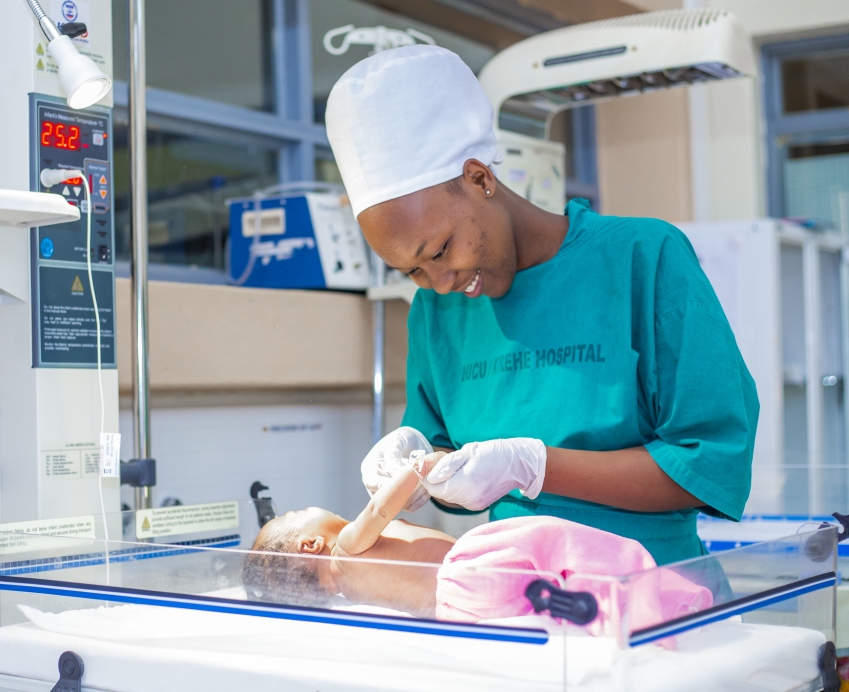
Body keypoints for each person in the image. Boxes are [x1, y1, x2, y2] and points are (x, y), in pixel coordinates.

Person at [325, 45, 758, 565]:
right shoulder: (437, 313)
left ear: (480, 178)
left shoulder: (643, 259)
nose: (439, 283)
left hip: (657, 597)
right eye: (412, 271)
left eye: (440, 251)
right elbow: (446, 467)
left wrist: (536, 466)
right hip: (509, 600)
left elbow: (710, 466)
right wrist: (417, 468)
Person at [242, 452, 712, 633]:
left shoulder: (353, 593)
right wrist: (414, 469)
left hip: (460, 611)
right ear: (308, 548)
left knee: (542, 602)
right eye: (291, 516)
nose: (299, 508)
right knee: (552, 541)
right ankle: (643, 600)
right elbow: (380, 511)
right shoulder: (344, 549)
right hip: (467, 571)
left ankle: (578, 613)